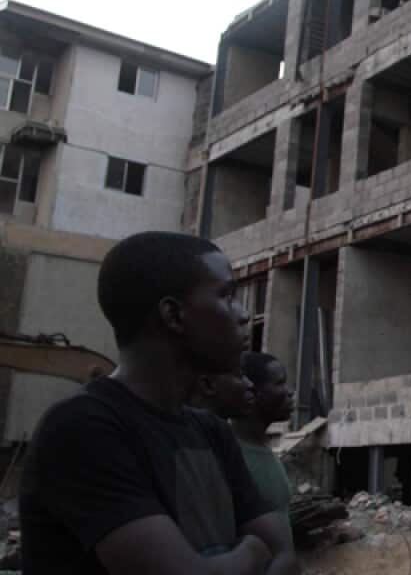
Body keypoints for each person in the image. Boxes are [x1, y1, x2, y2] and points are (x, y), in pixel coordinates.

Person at [19, 232, 298, 575]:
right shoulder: (84, 428)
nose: (243, 315)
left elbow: (285, 555)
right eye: (227, 296)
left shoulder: (211, 432)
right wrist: (252, 553)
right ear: (174, 315)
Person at [232, 352, 297, 544]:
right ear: (252, 390)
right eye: (279, 383)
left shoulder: (265, 451)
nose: (289, 391)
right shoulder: (231, 455)